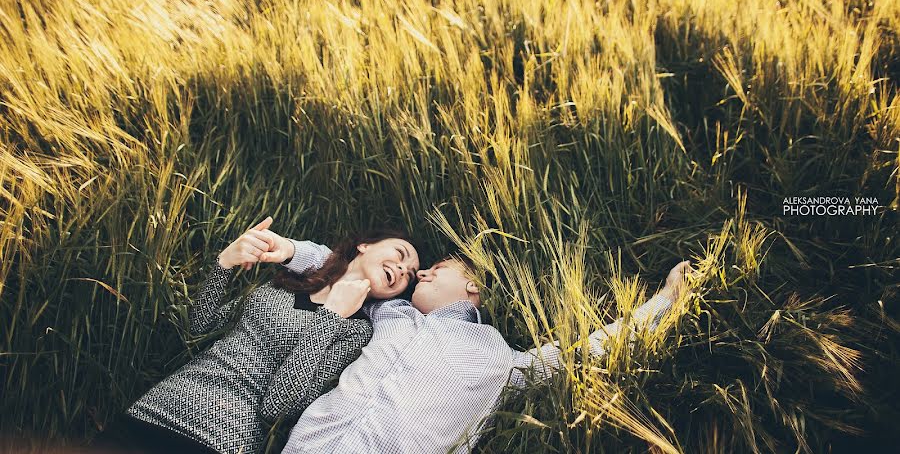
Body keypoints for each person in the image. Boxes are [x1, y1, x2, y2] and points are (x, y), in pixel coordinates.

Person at [280, 250, 693, 454]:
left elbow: (585, 351)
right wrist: (288, 249)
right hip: (310, 443)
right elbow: (352, 266)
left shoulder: (495, 356)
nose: (420, 273)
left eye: (436, 269)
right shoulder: (389, 312)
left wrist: (665, 300)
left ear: (472, 289)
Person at [98, 216, 420, 454]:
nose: (403, 270)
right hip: (156, 408)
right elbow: (199, 329)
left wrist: (330, 317)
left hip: (220, 440)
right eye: (401, 253)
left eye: (408, 276)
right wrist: (223, 264)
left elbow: (278, 407)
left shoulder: (357, 332)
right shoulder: (285, 283)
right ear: (365, 246)